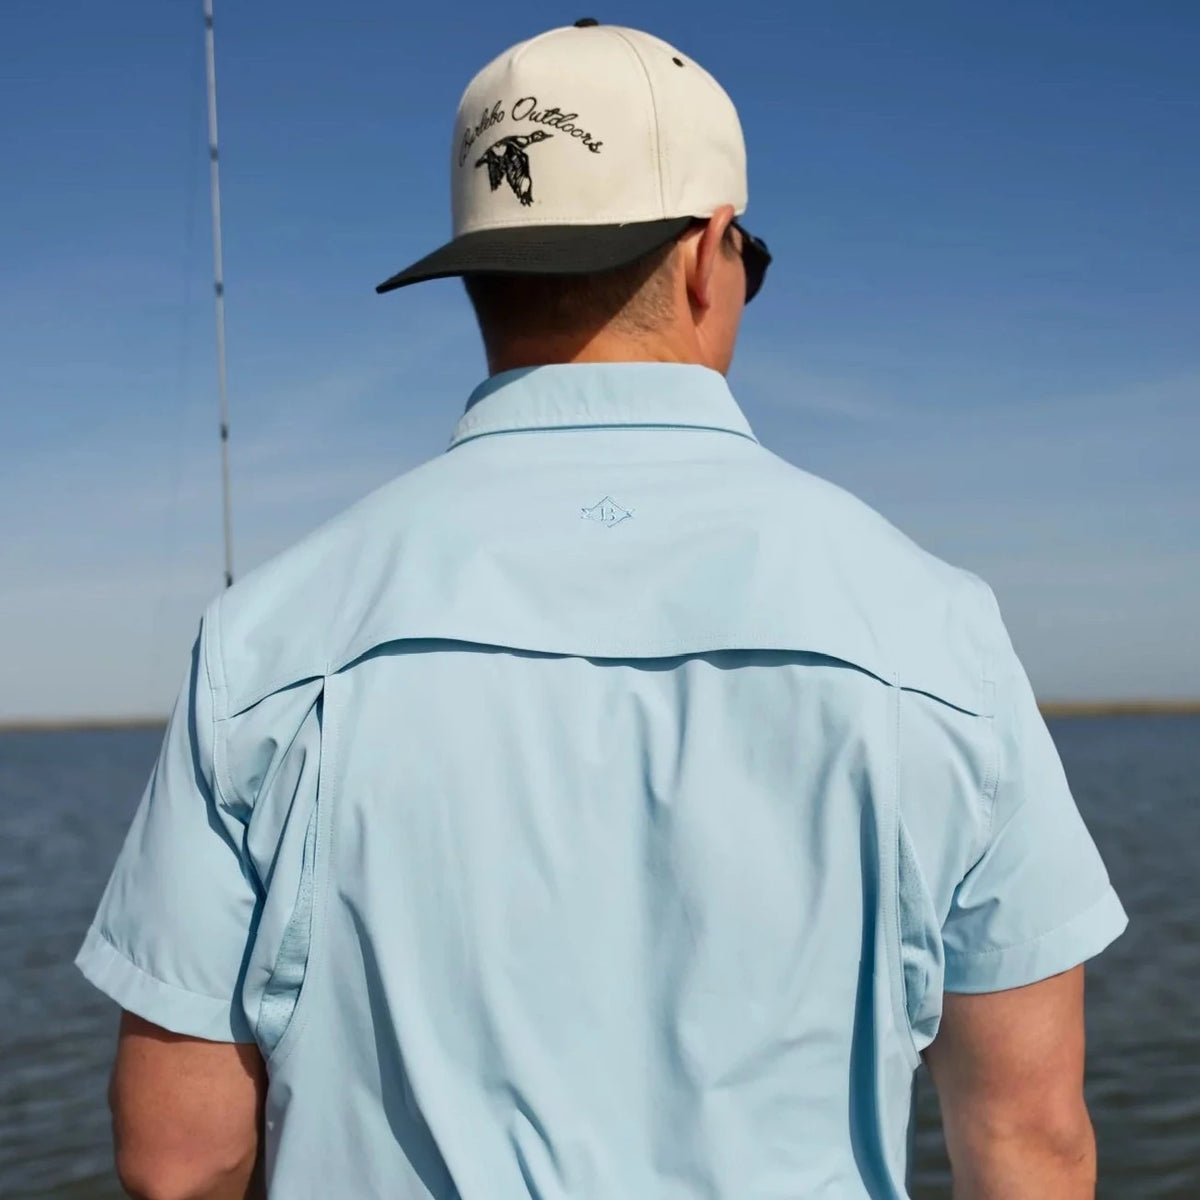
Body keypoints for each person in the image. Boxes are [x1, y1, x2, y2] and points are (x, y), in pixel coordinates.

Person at [78, 20, 1127, 1200]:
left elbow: (177, 1161)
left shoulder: (265, 637)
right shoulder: (938, 631)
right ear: (707, 254)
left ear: (480, 278)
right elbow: (1027, 1141)